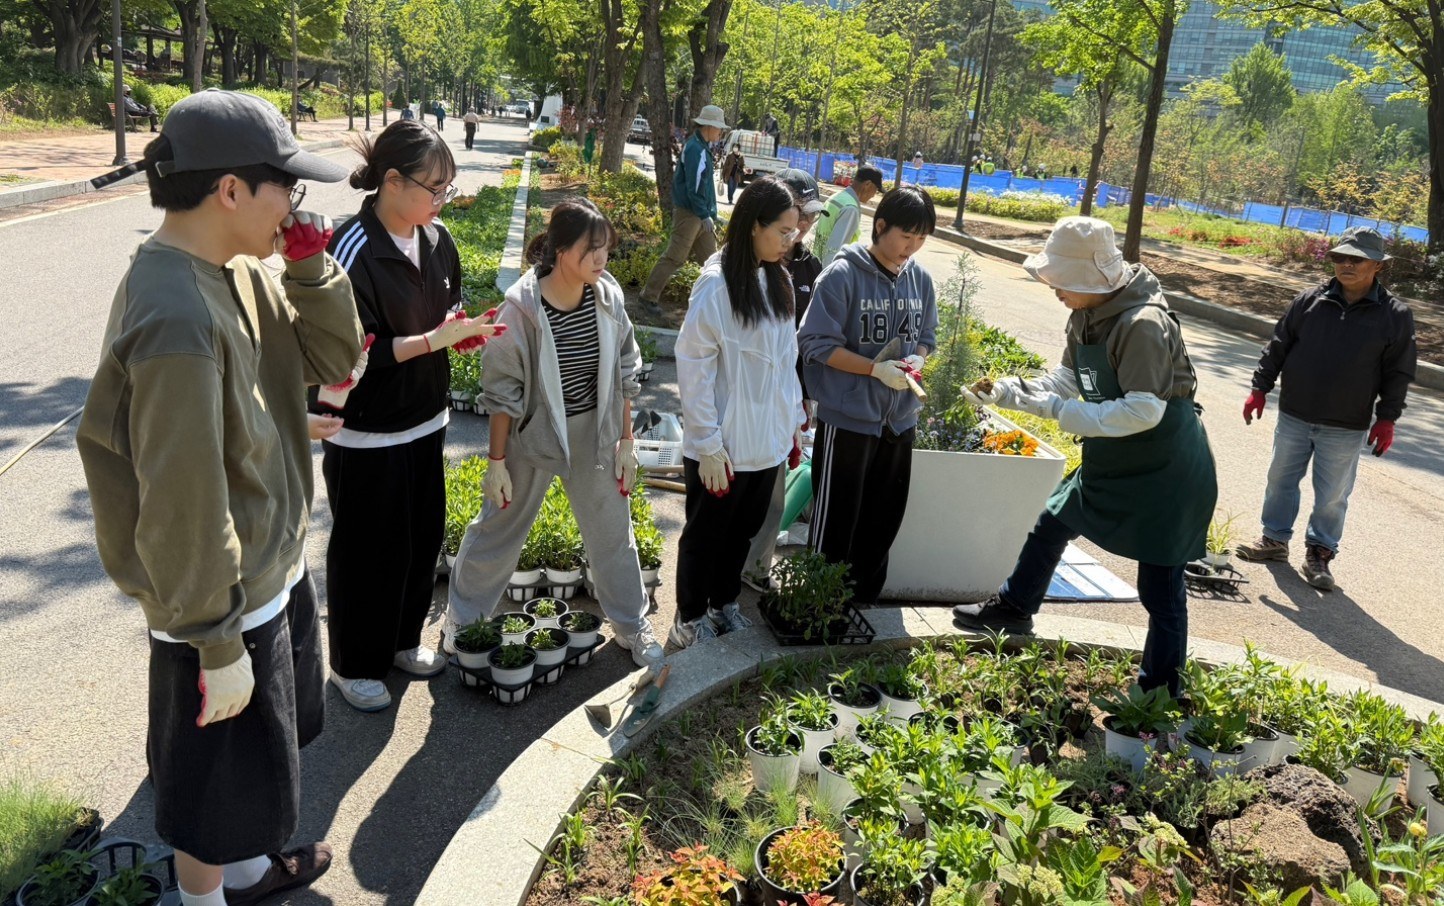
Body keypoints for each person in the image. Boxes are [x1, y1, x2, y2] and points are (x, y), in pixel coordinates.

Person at [78, 89, 365, 906]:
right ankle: (207, 897)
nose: (295, 206)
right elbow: (183, 500)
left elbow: (333, 358)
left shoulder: (240, 270)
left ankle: (249, 872)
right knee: (209, 793)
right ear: (231, 190)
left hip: (266, 567)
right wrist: (213, 642)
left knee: (254, 769)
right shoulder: (174, 313)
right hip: (218, 597)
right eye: (288, 188)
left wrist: (310, 266)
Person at [953, 216, 1217, 697]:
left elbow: (1143, 411)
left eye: (1062, 281)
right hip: (1114, 455)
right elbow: (1069, 381)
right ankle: (1014, 608)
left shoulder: (1142, 324)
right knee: (1053, 521)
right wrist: (1009, 391)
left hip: (1165, 466)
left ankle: (1161, 692)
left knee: (1160, 585)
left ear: (1092, 279)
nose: (1055, 290)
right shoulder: (1086, 314)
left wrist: (1058, 411)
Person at [320, 120, 500, 712]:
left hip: (426, 417)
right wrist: (432, 340)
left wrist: (460, 332)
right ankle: (353, 664)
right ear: (392, 181)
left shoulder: (437, 238)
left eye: (448, 188)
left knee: (419, 540)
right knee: (366, 548)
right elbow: (350, 354)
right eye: (434, 187)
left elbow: (446, 310)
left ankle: (401, 641)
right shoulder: (351, 249)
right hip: (366, 428)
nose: (441, 199)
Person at [447, 198, 665, 670]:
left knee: (612, 531)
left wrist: (626, 440)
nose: (602, 258)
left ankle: (631, 624)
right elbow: (502, 396)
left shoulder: (607, 296)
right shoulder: (521, 310)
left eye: (606, 248)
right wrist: (497, 464)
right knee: (499, 527)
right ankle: (461, 621)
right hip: (533, 433)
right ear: (562, 249)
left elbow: (626, 371)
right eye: (592, 249)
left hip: (595, 431)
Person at [1236, 227, 1416, 590]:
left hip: (1346, 423)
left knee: (1333, 495)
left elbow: (1398, 372)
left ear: (1378, 266)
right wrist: (1259, 389)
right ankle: (1274, 540)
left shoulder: (1395, 315)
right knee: (1280, 479)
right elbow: (1278, 345)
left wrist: (1387, 418)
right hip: (1295, 414)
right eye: (1340, 257)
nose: (1346, 265)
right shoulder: (1309, 301)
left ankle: (1319, 553)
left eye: (1357, 259)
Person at [673, 177, 807, 646]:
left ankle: (723, 603)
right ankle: (689, 617)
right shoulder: (717, 285)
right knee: (706, 533)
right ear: (754, 225)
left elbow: (786, 361)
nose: (791, 241)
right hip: (724, 445)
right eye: (783, 231)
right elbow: (694, 367)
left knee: (742, 532)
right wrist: (708, 444)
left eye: (794, 232)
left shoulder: (778, 279)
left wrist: (793, 424)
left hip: (765, 441)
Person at [797, 186, 939, 606]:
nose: (911, 248)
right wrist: (874, 370)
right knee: (837, 519)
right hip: (849, 420)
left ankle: (862, 602)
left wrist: (918, 357)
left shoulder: (920, 279)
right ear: (880, 226)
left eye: (921, 239)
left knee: (883, 516)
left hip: (899, 421)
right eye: (905, 236)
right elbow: (816, 344)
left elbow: (928, 335)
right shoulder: (842, 275)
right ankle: (819, 603)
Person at [742, 168, 826, 589]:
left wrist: (803, 396)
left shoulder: (811, 267)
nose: (804, 224)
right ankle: (718, 575)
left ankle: (755, 568)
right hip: (745, 396)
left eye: (810, 216)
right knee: (734, 493)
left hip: (786, 396)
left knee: (773, 492)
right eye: (797, 213)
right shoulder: (740, 266)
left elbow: (810, 340)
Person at [639, 105, 730, 318]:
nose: (721, 132)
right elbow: (694, 188)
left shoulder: (700, 147)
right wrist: (705, 214)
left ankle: (716, 308)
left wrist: (709, 214)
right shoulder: (696, 150)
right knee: (675, 256)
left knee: (712, 262)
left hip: (699, 214)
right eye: (719, 128)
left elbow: (701, 187)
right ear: (709, 126)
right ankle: (648, 296)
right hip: (691, 214)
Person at [812, 165, 883, 264]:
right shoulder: (851, 209)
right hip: (826, 268)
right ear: (867, 184)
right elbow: (834, 251)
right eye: (876, 189)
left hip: (815, 263)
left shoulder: (837, 197)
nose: (874, 195)